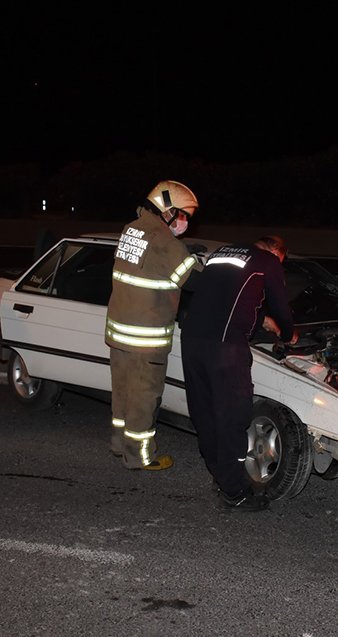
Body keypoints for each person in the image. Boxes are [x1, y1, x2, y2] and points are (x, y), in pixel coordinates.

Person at [180, 235, 297, 511]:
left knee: (205, 410)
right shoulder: (268, 261)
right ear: (276, 251)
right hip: (224, 348)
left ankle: (220, 475)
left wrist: (259, 322)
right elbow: (280, 304)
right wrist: (290, 334)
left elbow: (226, 299)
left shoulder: (222, 252)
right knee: (234, 414)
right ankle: (235, 492)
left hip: (192, 340)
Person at [104, 180, 201, 470]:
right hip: (146, 338)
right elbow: (194, 280)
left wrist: (182, 250)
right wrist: (194, 259)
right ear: (166, 208)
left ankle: (119, 444)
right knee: (144, 398)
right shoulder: (164, 241)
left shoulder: (132, 228)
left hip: (120, 330)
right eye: (181, 215)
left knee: (122, 392)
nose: (184, 222)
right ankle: (140, 457)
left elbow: (150, 265)